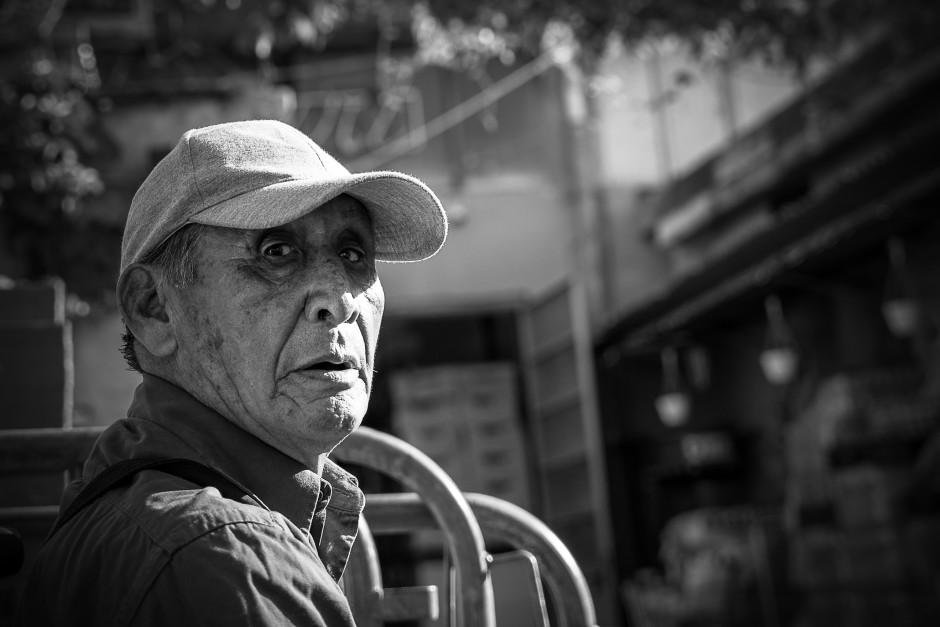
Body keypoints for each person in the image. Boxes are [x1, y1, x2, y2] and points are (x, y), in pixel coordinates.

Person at [17, 119, 448, 626]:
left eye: (353, 254)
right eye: (277, 252)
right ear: (153, 308)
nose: (340, 299)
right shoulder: (225, 558)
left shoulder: (147, 509)